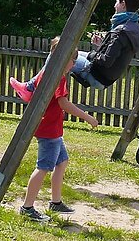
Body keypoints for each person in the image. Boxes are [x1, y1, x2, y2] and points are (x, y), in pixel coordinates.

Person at [10, 0, 139, 101]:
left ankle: (30, 88)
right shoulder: (135, 29)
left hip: (97, 75)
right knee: (66, 51)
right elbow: (116, 56)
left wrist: (95, 53)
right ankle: (33, 87)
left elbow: (106, 61)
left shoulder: (120, 31)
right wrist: (100, 47)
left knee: (59, 54)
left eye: (117, 2)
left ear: (123, 4)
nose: (114, 5)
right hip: (107, 77)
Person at [20, 37, 99, 222]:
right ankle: (27, 207)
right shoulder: (57, 78)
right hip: (49, 130)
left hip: (52, 128)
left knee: (61, 161)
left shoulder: (50, 73)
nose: (74, 64)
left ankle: (55, 203)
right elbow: (64, 103)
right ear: (64, 59)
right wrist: (87, 117)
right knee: (43, 168)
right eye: (73, 60)